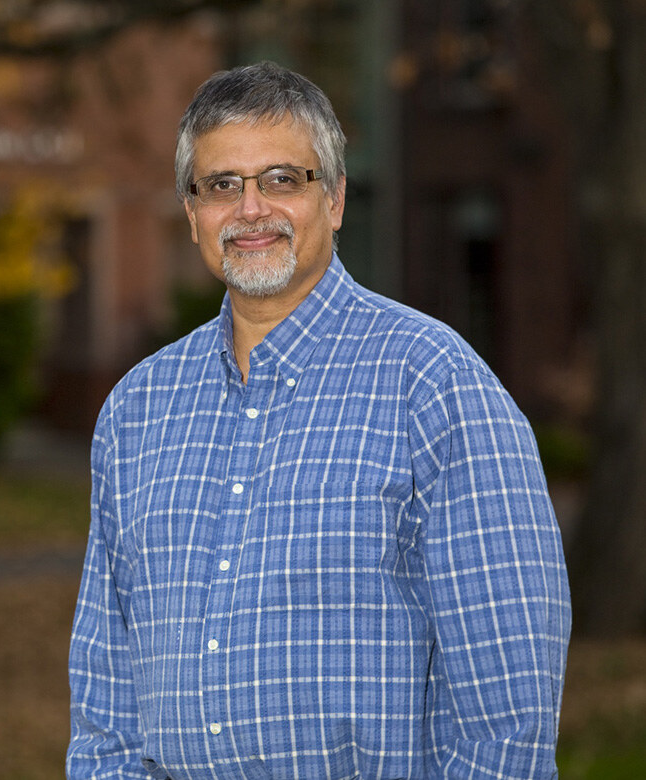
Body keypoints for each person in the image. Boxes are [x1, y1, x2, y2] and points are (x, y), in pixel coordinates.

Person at [66, 61, 571, 779]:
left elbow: (508, 705)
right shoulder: (136, 411)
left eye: (281, 179)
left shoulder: (432, 383)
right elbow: (105, 700)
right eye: (222, 185)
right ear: (191, 213)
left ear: (333, 199)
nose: (250, 210)